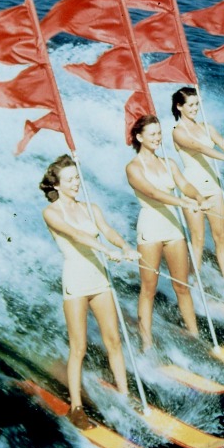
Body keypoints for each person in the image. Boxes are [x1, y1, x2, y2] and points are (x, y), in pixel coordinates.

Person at [39, 154, 139, 430]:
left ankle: (125, 396)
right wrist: (107, 251)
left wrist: (125, 247)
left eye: (76, 178)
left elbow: (107, 230)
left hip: (100, 280)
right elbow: (76, 235)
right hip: (76, 283)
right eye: (69, 180)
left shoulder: (91, 208)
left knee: (114, 341)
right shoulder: (51, 212)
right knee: (79, 347)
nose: (76, 183)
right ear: (56, 185)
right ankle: (76, 408)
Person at [125, 114, 208, 353]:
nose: (157, 138)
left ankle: (195, 334)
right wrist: (183, 204)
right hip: (150, 229)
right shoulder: (133, 168)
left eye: (159, 133)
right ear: (139, 137)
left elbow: (185, 185)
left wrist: (198, 197)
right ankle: (146, 342)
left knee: (182, 286)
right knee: (149, 289)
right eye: (152, 134)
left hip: (173, 228)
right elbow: (153, 193)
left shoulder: (169, 163)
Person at [171, 86, 224, 283]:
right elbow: (199, 148)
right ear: (179, 106)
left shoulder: (207, 127)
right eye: (190, 105)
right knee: (198, 240)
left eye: (196, 104)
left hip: (213, 188)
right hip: (192, 190)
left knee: (220, 237)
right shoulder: (177, 132)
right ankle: (194, 283)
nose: (194, 109)